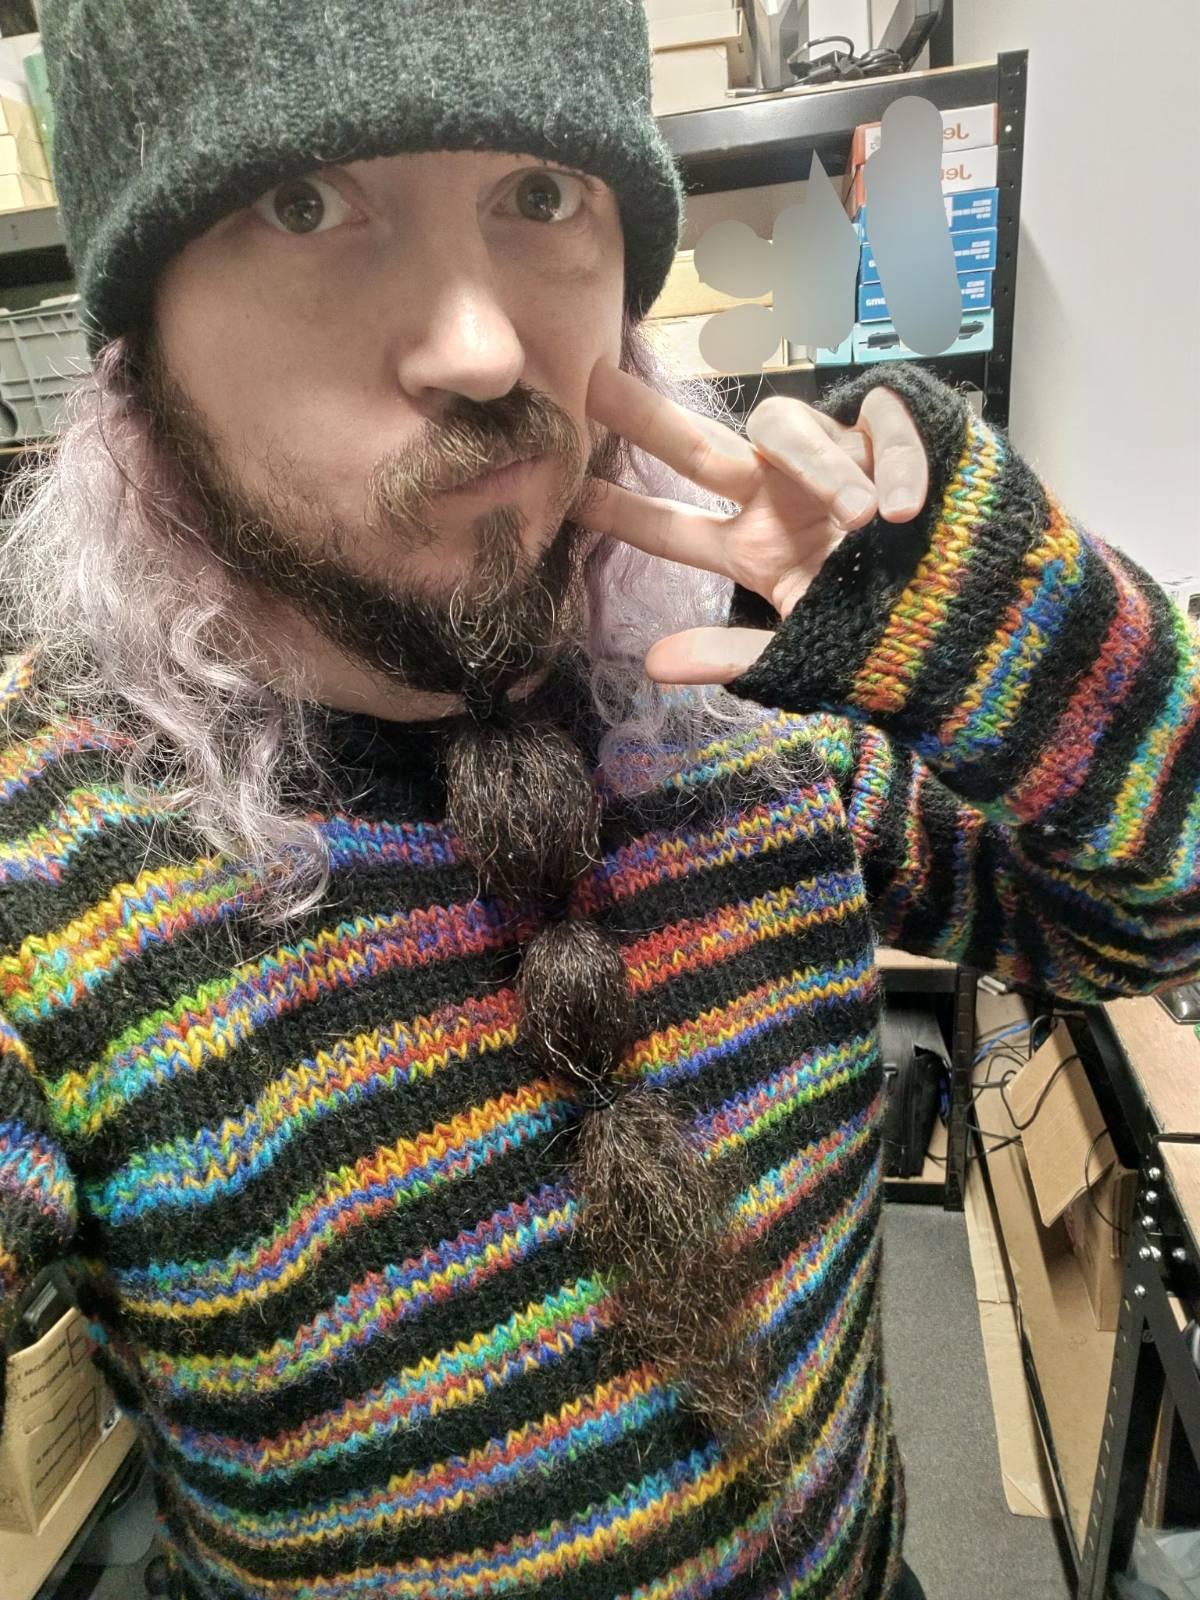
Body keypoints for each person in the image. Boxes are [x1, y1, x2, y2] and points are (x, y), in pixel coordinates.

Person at [0, 3, 1195, 1598]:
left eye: (541, 195)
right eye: (306, 203)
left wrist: (995, 632)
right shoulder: (51, 874)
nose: (484, 347)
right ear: (137, 349)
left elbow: (1159, 916)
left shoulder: (743, 712)